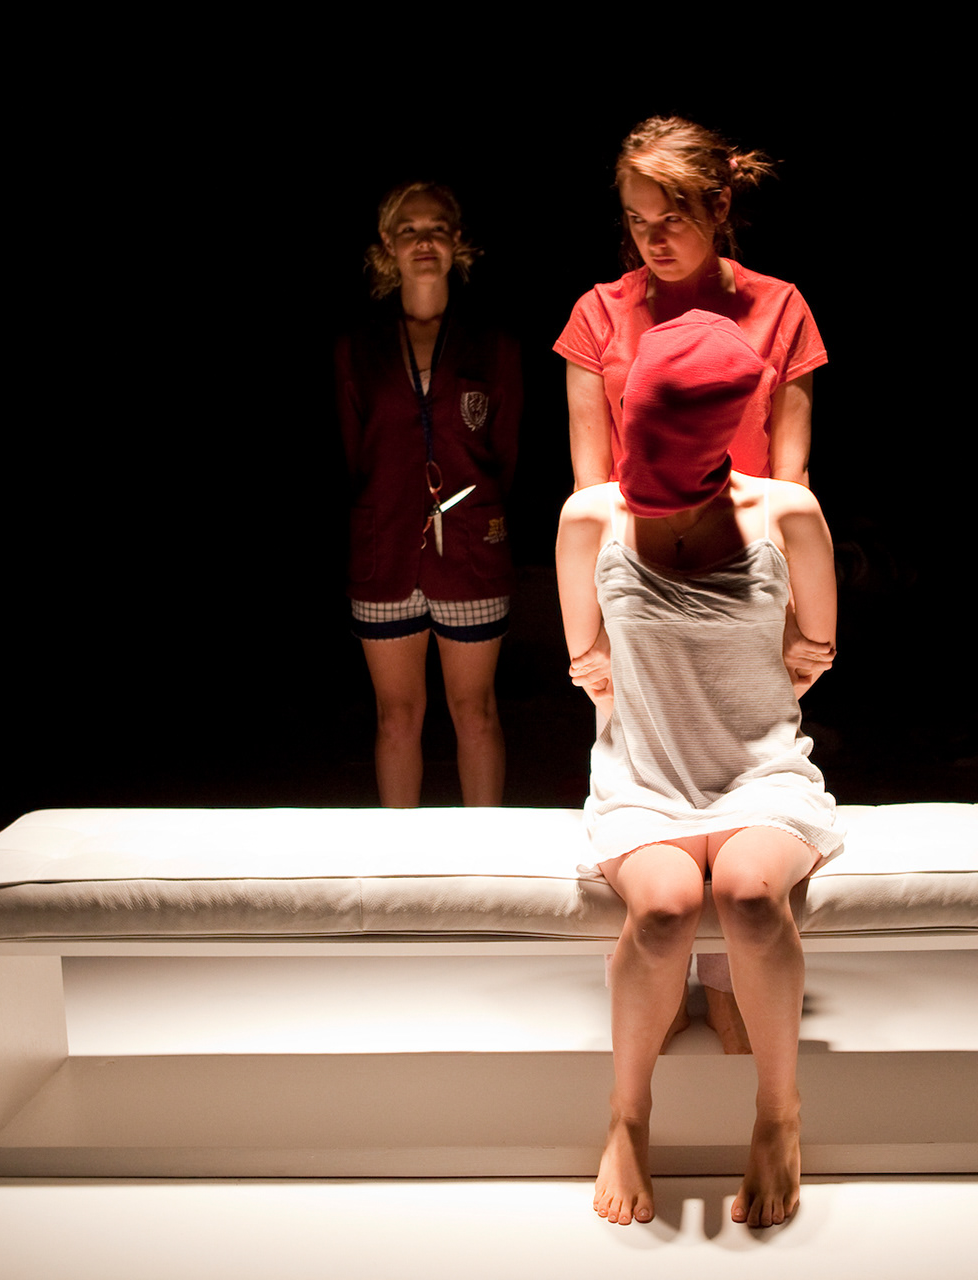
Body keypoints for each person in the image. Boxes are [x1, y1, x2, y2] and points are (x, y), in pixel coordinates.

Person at [556, 310, 841, 1228]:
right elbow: (587, 662)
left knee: (751, 896)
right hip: (644, 774)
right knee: (667, 906)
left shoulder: (785, 513)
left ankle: (778, 1114)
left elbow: (816, 648)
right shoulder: (591, 517)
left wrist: (746, 688)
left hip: (759, 771)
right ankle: (628, 1115)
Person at [556, 115, 836, 1043]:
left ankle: (730, 983)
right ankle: (659, 983)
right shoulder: (601, 314)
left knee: (747, 801)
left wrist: (796, 622)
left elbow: (792, 474)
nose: (653, 238)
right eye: (637, 221)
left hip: (745, 580)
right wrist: (595, 632)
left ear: (719, 205)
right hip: (641, 586)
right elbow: (590, 488)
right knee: (656, 816)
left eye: (671, 216)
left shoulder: (779, 307)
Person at [336, 182, 519, 807]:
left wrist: (478, 515)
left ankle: (487, 857)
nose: (423, 241)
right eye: (409, 230)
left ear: (455, 240)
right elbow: (352, 453)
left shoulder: (492, 342)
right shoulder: (358, 346)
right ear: (388, 243)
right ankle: (399, 861)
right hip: (382, 552)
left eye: (436, 228)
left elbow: (506, 453)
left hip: (471, 552)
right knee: (396, 717)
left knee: (476, 713)